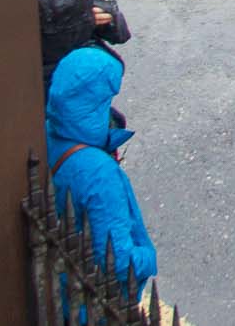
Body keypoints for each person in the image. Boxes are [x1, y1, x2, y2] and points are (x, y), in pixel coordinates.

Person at [46, 48, 158, 304]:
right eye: (105, 100)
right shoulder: (98, 172)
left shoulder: (49, 132)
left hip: (64, 287)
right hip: (93, 304)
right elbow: (118, 262)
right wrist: (148, 257)